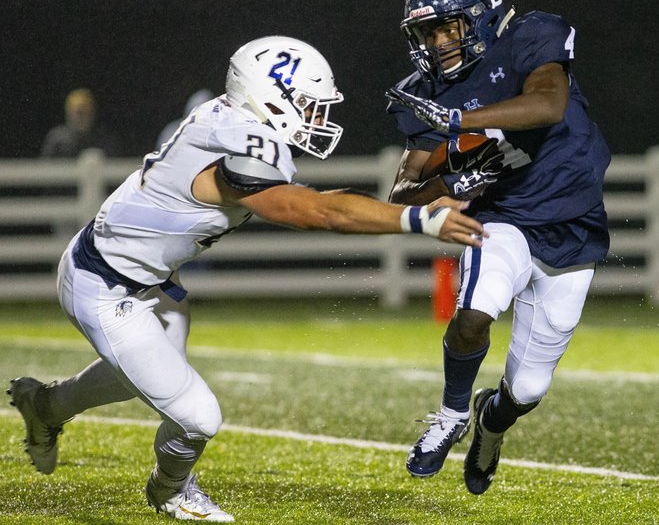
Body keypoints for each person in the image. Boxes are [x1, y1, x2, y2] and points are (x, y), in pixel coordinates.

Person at [7, 35, 487, 522]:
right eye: (307, 105)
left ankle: (46, 405)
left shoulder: (237, 120)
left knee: (137, 378)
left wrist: (411, 208)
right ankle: (170, 490)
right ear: (269, 95)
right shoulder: (240, 141)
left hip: (145, 275)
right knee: (197, 416)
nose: (317, 119)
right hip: (103, 284)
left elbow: (319, 203)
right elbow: (312, 211)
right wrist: (416, 221)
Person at [385, 0, 611, 495]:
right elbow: (404, 192)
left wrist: (465, 125)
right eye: (427, 32)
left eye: (448, 27)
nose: (438, 43)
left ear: (481, 18)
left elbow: (549, 103)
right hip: (503, 218)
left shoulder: (532, 36)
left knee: (528, 390)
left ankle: (490, 421)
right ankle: (450, 415)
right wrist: (459, 179)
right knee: (472, 316)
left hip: (572, 227)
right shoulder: (424, 95)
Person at [40, 88, 122, 157]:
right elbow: (45, 170)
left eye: (86, 112)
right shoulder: (57, 140)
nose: (81, 117)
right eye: (78, 112)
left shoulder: (105, 140)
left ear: (93, 113)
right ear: (68, 113)